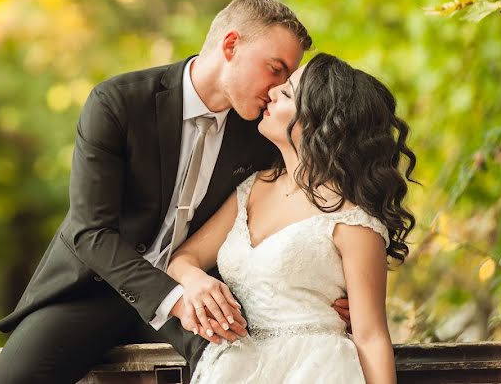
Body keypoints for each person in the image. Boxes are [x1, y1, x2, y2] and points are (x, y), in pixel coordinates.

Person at [0, 0, 319, 384]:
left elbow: (293, 209)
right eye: (275, 69)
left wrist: (325, 291)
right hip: (94, 286)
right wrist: (173, 297)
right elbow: (89, 232)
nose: (279, 88)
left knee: (242, 369)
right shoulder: (118, 103)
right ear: (231, 46)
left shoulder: (262, 133)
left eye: (287, 77)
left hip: (202, 291)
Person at [169, 53, 416, 384]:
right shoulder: (251, 189)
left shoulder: (353, 218)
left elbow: (371, 337)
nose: (271, 92)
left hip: (315, 370)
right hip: (237, 369)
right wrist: (195, 280)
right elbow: (182, 259)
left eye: (285, 93)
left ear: (319, 123)